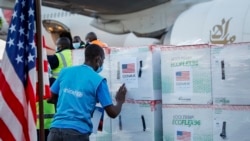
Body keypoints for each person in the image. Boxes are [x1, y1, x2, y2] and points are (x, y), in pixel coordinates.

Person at [47, 44, 127, 141]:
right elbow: (112, 113)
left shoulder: (66, 71)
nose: (102, 64)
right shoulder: (99, 81)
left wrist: (68, 101)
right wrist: (120, 101)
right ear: (98, 59)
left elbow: (50, 97)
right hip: (77, 134)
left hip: (55, 131)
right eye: (103, 60)